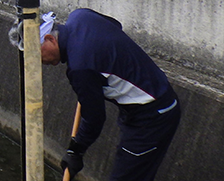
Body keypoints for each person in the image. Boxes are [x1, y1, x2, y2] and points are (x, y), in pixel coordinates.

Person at [38, 9, 181, 181]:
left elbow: (94, 118)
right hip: (148, 100)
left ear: (50, 39)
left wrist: (76, 150)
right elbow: (115, 26)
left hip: (153, 115)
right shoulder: (81, 16)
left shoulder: (80, 67)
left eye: (38, 55)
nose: (40, 62)